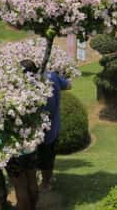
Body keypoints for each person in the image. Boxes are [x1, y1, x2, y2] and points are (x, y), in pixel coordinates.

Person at [5, 59, 43, 210]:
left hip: (15, 148)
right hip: (31, 146)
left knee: (20, 186)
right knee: (32, 181)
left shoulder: (12, 93)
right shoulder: (38, 91)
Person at [31, 60, 72, 192]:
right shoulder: (52, 76)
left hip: (32, 130)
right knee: (48, 157)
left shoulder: (27, 85)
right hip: (52, 128)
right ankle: (45, 183)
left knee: (34, 158)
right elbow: (68, 85)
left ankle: (39, 184)